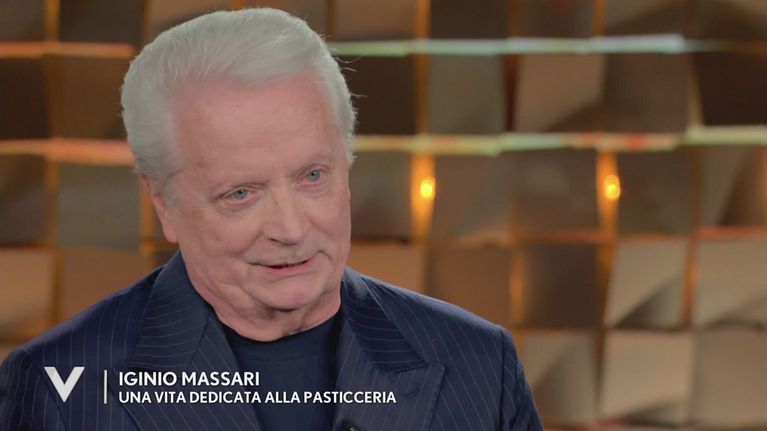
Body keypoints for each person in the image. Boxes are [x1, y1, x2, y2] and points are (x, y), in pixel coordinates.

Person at [0, 8, 541, 431]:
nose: (290, 228)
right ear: (163, 202)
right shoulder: (60, 388)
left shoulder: (479, 363)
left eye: (312, 176)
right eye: (241, 193)